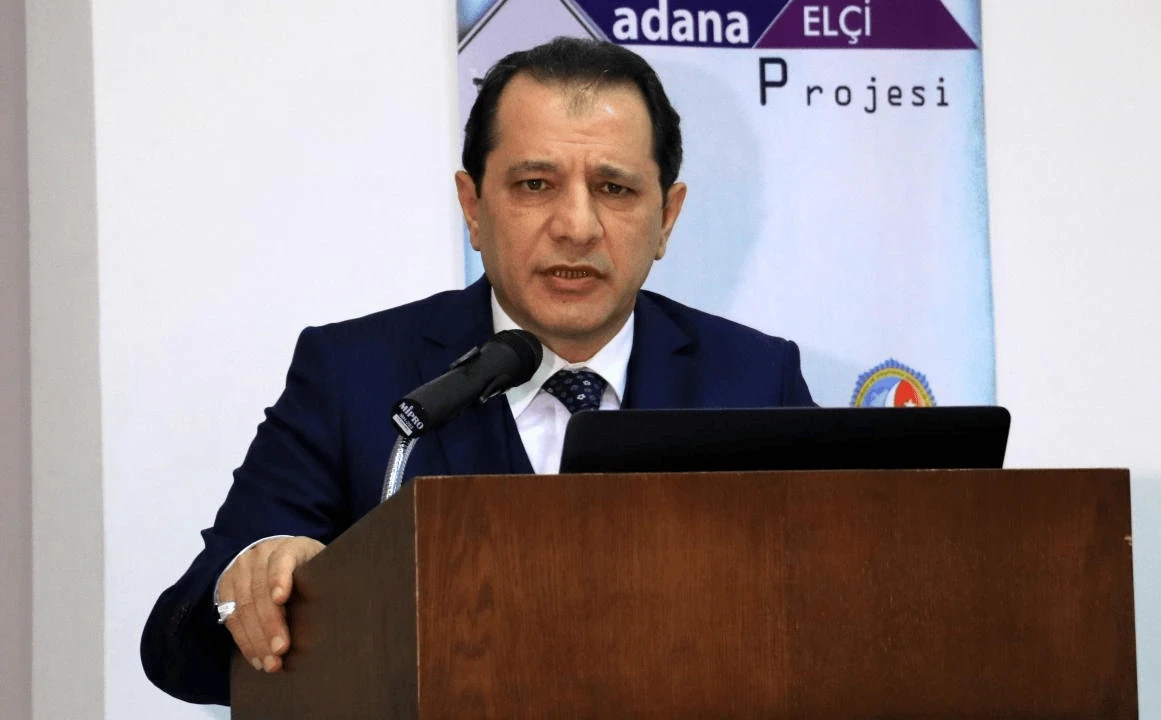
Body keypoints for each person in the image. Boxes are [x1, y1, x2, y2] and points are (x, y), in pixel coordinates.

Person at [140, 36, 814, 705]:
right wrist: (253, 581)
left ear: (666, 217)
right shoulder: (353, 375)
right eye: (535, 185)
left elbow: (828, 614)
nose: (577, 226)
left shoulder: (756, 379)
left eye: (614, 188)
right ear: (473, 207)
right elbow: (180, 646)